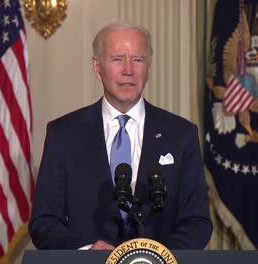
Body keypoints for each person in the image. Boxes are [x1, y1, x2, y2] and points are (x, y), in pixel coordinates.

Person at [29, 21, 212, 250]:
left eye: (137, 59)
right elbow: (44, 222)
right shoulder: (63, 135)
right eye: (117, 59)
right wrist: (88, 252)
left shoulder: (181, 134)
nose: (128, 70)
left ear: (148, 68)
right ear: (97, 69)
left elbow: (197, 222)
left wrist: (156, 257)